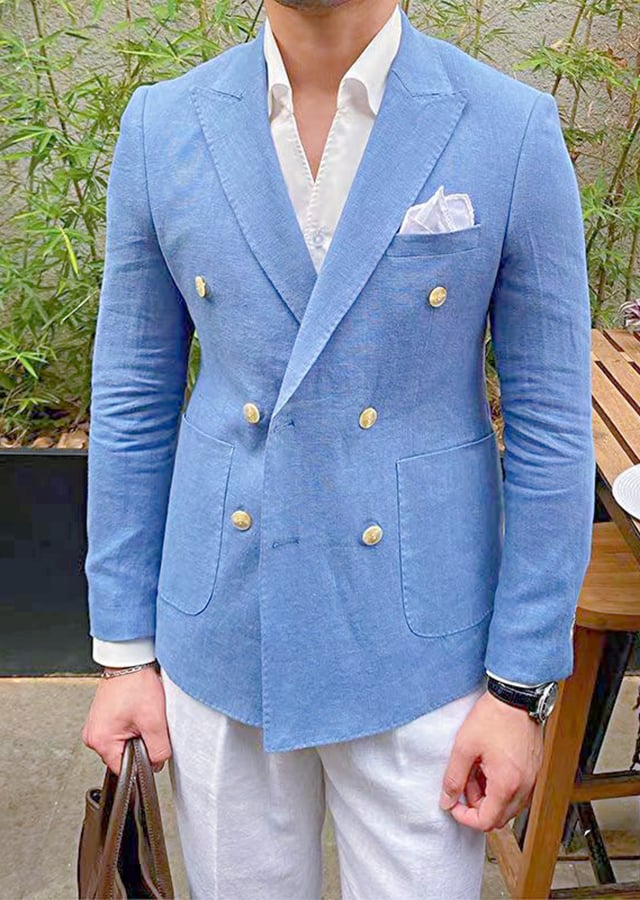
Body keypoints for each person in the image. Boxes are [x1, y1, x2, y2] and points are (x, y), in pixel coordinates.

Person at [81, 0, 596, 896]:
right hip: (221, 627)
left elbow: (550, 427)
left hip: (421, 643)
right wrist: (124, 651)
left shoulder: (509, 126)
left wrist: (518, 687)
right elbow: (132, 396)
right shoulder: (162, 124)